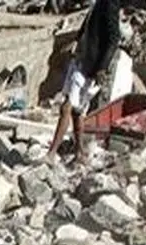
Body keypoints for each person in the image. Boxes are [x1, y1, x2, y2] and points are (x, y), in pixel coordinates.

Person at [47, 0, 121, 162]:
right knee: (77, 110)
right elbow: (89, 23)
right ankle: (79, 152)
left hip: (89, 65)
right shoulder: (99, 2)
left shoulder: (110, 4)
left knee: (66, 107)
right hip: (81, 60)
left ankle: (51, 154)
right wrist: (77, 40)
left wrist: (102, 67)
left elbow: (114, 38)